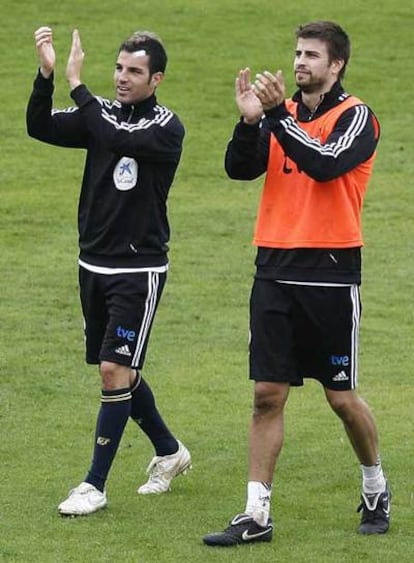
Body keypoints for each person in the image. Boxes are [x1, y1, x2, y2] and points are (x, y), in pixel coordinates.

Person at [203, 21, 390, 547]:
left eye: (312, 55)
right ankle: (255, 515)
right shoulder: (278, 117)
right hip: (274, 271)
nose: (301, 61)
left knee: (341, 397)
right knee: (266, 395)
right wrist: (248, 124)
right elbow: (240, 169)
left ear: (337, 66)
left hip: (330, 273)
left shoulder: (356, 117)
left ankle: (374, 485)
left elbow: (326, 165)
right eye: (297, 52)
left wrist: (278, 115)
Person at [27, 26, 191, 516]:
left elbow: (117, 136)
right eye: (119, 68)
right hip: (91, 263)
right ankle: (169, 451)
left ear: (155, 79)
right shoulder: (100, 114)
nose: (122, 78)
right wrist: (47, 75)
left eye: (134, 71)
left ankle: (94, 485)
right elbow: (40, 126)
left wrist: (79, 89)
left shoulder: (165, 126)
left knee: (113, 369)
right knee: (120, 369)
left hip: (138, 270)